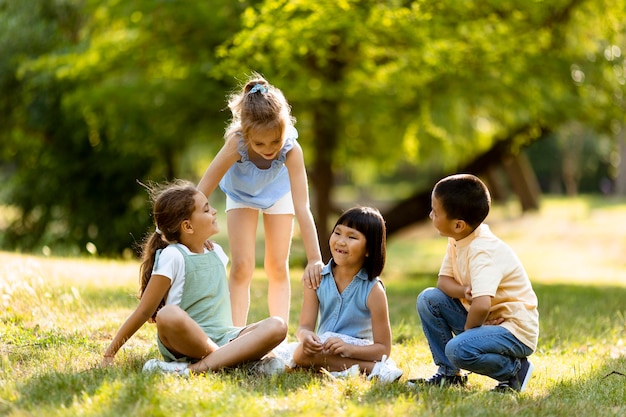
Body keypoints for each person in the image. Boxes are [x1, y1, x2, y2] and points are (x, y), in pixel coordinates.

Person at [101, 180, 287, 376]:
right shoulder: (173, 256)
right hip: (185, 343)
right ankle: (234, 362)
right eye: (206, 210)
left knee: (278, 325)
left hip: (224, 338)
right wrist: (109, 354)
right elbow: (144, 311)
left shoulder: (217, 252)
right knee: (167, 314)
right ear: (188, 226)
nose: (214, 211)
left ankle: (194, 370)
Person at [197, 73, 323, 326]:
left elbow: (303, 208)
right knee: (242, 266)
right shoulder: (236, 143)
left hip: (278, 193)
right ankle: (234, 335)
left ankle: (277, 334)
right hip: (241, 193)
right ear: (245, 134)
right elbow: (202, 190)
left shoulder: (291, 150)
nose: (268, 148)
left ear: (285, 129)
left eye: (275, 140)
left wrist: (314, 258)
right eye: (259, 143)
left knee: (276, 265)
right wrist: (195, 231)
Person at [408, 173, 539, 392]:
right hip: (485, 320)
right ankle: (448, 375)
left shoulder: (482, 250)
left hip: (513, 329)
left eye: (436, 211)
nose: (431, 215)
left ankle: (515, 371)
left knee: (457, 350)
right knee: (428, 299)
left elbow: (482, 305)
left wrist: (470, 333)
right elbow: (443, 282)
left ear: (458, 224)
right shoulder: (458, 239)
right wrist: (464, 291)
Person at [292, 206, 403, 383]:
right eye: (337, 233)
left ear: (369, 249)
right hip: (325, 346)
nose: (341, 241)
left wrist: (348, 348)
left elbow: (383, 349)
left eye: (352, 237)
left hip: (358, 349)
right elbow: (304, 327)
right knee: (300, 353)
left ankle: (369, 367)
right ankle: (372, 370)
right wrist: (306, 336)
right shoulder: (317, 278)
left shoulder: (373, 290)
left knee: (300, 358)